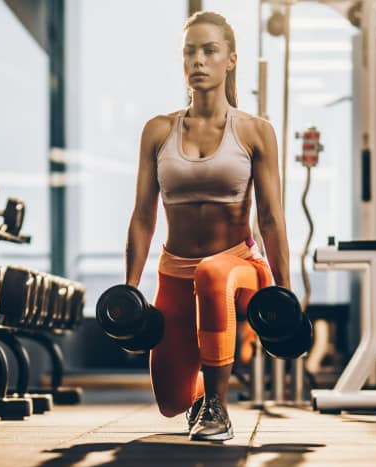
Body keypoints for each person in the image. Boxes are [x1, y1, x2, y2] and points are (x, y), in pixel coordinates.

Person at [124, 10, 291, 441]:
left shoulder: (255, 132)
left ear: (230, 60)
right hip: (175, 271)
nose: (198, 61)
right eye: (190, 52)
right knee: (171, 402)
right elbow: (144, 215)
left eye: (209, 51)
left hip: (239, 267)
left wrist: (285, 291)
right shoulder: (158, 131)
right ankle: (201, 392)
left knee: (211, 273)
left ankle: (218, 407)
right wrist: (130, 289)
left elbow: (270, 217)